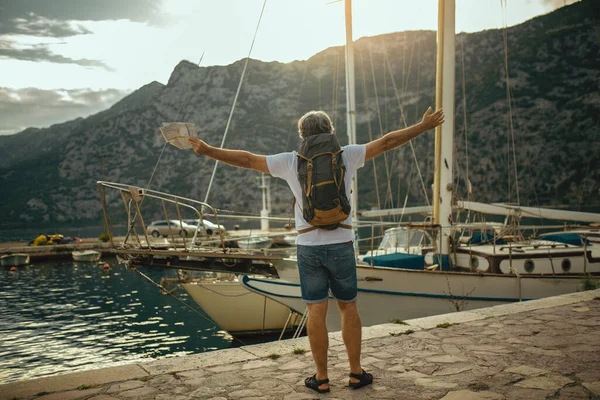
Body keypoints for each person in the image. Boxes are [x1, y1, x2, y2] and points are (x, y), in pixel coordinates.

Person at [188, 106, 444, 393]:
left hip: (308, 246)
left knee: (316, 312)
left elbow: (247, 159)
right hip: (342, 243)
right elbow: (386, 141)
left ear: (302, 136)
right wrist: (423, 126)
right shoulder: (347, 155)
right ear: (330, 131)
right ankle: (356, 373)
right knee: (349, 308)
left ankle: (321, 378)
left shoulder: (290, 162)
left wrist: (208, 150)